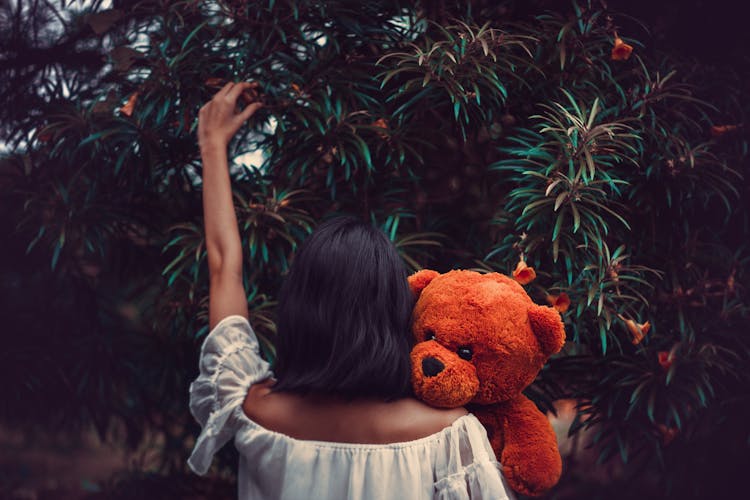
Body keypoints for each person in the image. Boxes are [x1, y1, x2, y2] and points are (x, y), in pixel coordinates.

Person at [186, 81, 514, 499]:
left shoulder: (254, 410)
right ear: (394, 311)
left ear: (299, 311)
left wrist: (212, 147)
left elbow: (223, 268)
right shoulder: (447, 433)